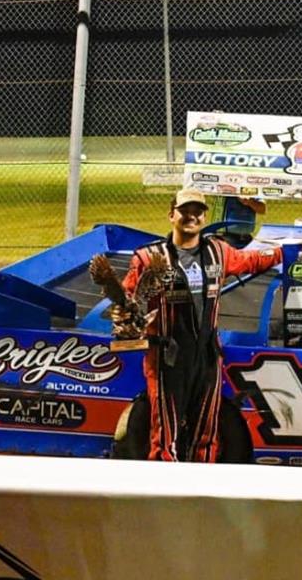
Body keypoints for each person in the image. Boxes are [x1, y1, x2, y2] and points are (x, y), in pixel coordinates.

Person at [120, 187, 282, 462]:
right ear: (171, 215)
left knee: (206, 433)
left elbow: (253, 260)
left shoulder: (219, 251)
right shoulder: (149, 257)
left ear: (205, 217)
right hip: (167, 357)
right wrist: (130, 320)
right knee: (165, 434)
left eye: (197, 211)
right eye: (185, 211)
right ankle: (162, 496)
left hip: (207, 356)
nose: (191, 217)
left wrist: (289, 251)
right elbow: (126, 300)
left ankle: (200, 492)